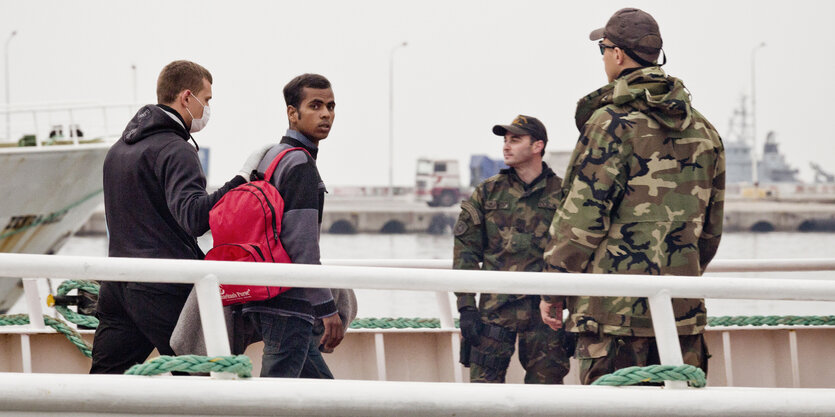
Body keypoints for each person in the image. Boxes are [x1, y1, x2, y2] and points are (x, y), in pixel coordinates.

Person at [539, 8, 725, 385]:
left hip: (612, 318)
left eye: (604, 49)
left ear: (618, 55)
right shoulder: (705, 130)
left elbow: (580, 222)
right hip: (680, 312)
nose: (605, 57)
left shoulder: (610, 123)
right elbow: (710, 231)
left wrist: (553, 288)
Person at [91, 60, 271, 374]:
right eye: (208, 99)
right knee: (199, 377)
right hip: (162, 286)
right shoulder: (177, 150)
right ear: (187, 97)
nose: (209, 107)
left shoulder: (118, 150)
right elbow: (194, 218)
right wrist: (242, 179)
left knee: (105, 382)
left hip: (116, 284)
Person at [241, 73, 346, 378]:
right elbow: (303, 248)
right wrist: (328, 310)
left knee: (321, 394)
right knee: (275, 400)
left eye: (331, 106)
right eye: (315, 105)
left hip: (264, 293)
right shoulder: (300, 165)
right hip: (287, 305)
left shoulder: (273, 156)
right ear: (292, 112)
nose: (326, 114)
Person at [453, 115, 572, 384]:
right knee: (484, 396)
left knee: (547, 396)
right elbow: (466, 251)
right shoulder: (488, 192)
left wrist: (575, 311)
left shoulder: (563, 194)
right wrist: (466, 307)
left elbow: (576, 252)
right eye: (505, 141)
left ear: (537, 146)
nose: (506, 146)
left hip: (546, 313)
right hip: (495, 311)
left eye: (515, 140)